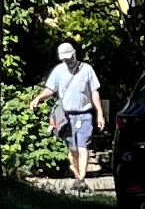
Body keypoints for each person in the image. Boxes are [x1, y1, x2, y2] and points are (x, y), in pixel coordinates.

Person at [43, 39, 105, 184]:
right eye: (64, 59)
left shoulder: (87, 69)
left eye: (69, 58)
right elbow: (51, 89)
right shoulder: (58, 71)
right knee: (72, 149)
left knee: (83, 146)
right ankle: (78, 177)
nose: (67, 61)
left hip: (85, 115)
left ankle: (82, 177)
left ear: (74, 54)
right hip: (66, 116)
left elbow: (94, 91)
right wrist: (38, 98)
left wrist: (100, 114)